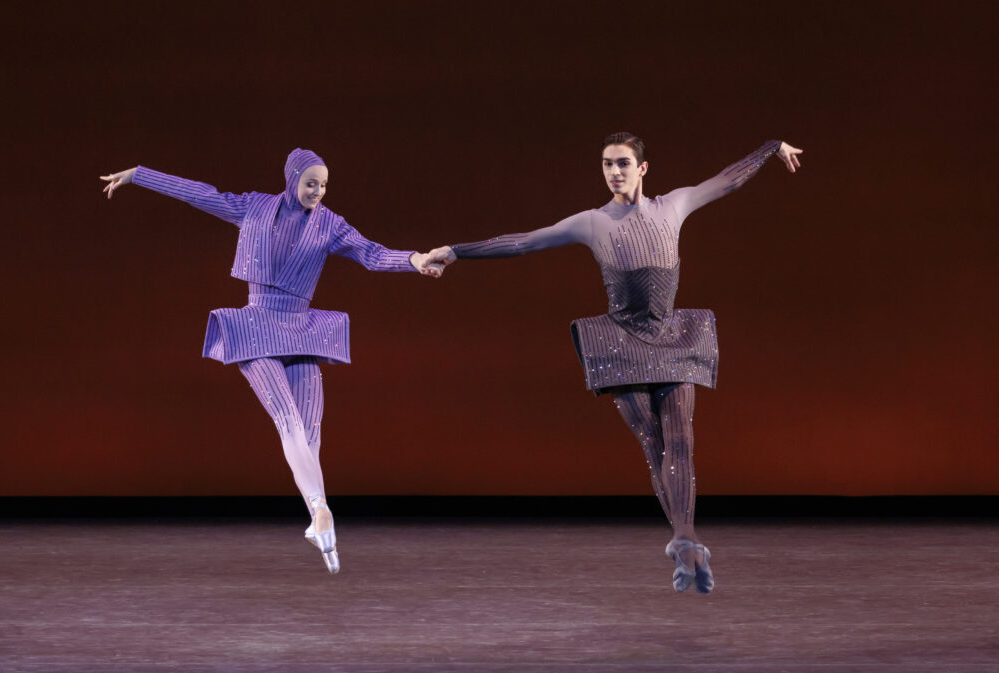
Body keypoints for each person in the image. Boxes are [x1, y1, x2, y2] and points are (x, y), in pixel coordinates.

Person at [427, 133, 803, 593]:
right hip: (621, 342)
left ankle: (686, 541)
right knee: (653, 441)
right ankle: (685, 545)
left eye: (623, 163)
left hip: (671, 337)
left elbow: (725, 181)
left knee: (680, 438)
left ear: (643, 168)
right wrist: (457, 251)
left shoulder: (675, 205)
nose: (614, 172)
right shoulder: (592, 222)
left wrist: (771, 148)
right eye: (607, 164)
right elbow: (524, 242)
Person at [101, 149, 443, 574]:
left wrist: (416, 260)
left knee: (311, 426)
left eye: (324, 185)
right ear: (292, 179)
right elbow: (199, 194)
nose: (318, 192)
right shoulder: (254, 208)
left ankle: (319, 517)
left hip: (301, 328)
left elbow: (371, 253)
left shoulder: (330, 225)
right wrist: (139, 174)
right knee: (289, 421)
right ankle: (320, 511)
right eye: (311, 183)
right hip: (257, 327)